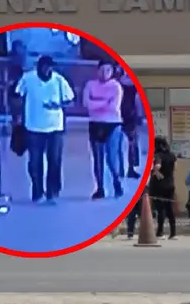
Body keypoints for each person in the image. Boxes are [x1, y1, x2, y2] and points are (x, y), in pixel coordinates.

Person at [16, 55, 75, 205]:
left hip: (55, 127)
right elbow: (17, 95)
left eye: (50, 67)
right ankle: (37, 191)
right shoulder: (28, 78)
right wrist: (17, 118)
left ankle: (52, 192)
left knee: (54, 160)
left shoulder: (59, 80)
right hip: (33, 127)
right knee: (35, 162)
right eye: (44, 66)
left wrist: (58, 106)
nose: (47, 69)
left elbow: (70, 100)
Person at [84, 60, 125, 199]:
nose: (105, 73)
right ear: (97, 70)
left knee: (111, 157)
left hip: (112, 124)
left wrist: (95, 103)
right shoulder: (90, 84)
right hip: (95, 123)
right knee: (97, 158)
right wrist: (104, 103)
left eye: (108, 70)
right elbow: (85, 104)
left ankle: (116, 181)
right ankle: (100, 187)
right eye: (102, 70)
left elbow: (114, 107)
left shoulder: (116, 86)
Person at [117, 68, 144, 179]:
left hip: (121, 115)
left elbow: (138, 100)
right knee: (131, 143)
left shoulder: (118, 82)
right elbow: (138, 100)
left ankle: (123, 169)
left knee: (123, 143)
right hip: (127, 115)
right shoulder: (133, 84)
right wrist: (140, 114)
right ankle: (129, 168)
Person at [150, 136, 178, 240]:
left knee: (160, 209)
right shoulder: (172, 155)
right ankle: (173, 233)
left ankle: (160, 232)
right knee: (169, 209)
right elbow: (175, 168)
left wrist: (156, 172)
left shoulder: (157, 155)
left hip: (158, 186)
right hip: (170, 185)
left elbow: (157, 165)